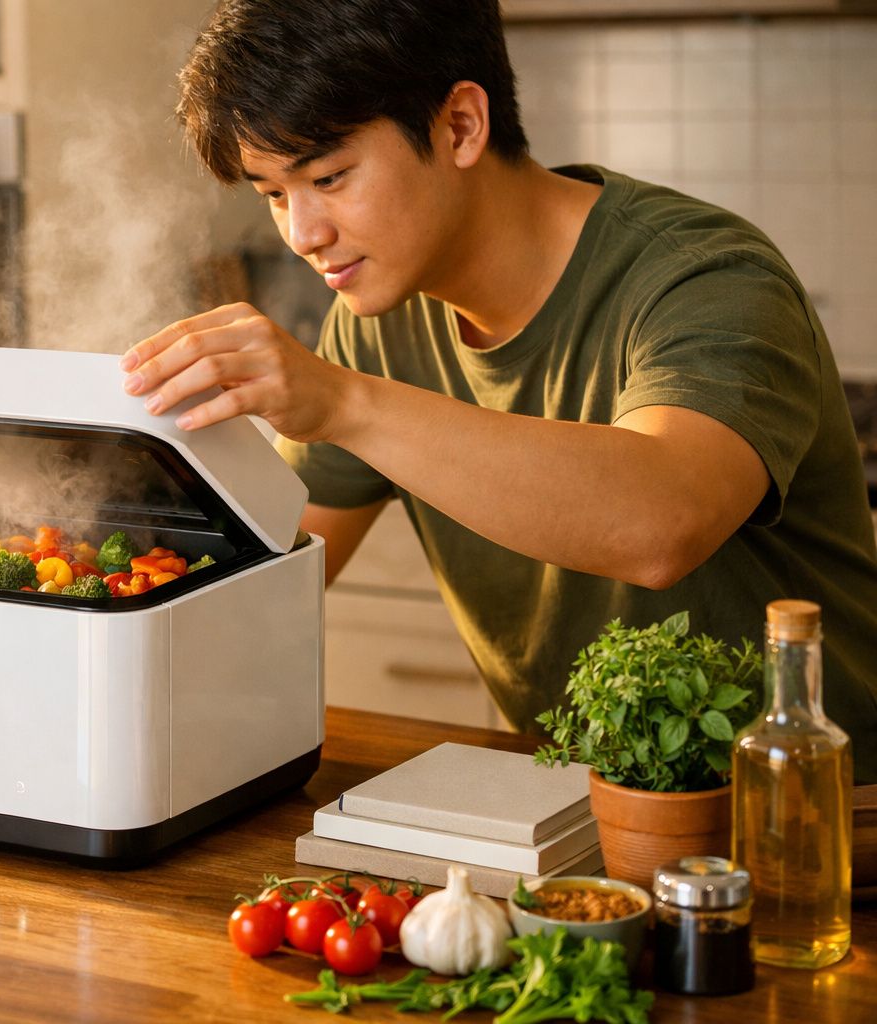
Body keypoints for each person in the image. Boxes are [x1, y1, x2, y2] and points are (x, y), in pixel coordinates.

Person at [121, 0, 877, 782]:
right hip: (575, 808)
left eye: (328, 177)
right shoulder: (378, 321)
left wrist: (344, 404)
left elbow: (660, 524)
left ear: (460, 126)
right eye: (273, 195)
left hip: (822, 815)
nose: (303, 233)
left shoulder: (707, 276)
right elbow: (269, 570)